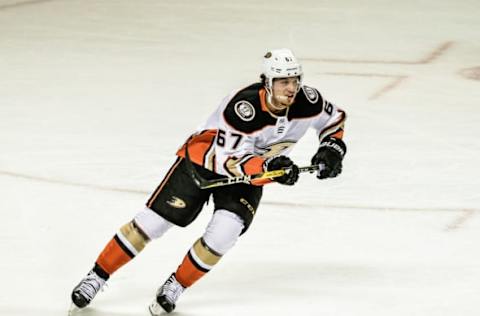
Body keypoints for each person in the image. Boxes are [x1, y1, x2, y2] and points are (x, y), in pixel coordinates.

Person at [70, 48, 347, 315]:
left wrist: (332, 147)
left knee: (225, 233)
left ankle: (176, 285)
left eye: (295, 80)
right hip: (205, 164)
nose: (291, 88)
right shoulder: (243, 108)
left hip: (249, 173)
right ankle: (96, 276)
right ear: (267, 82)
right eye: (283, 81)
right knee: (151, 223)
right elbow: (229, 160)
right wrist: (269, 167)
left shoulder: (308, 101)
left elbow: (334, 119)